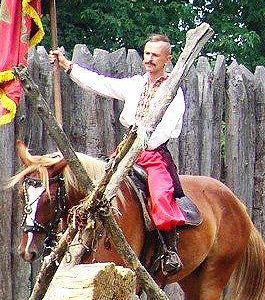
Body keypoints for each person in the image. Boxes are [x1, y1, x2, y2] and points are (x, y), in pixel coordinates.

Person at [50, 34, 189, 274]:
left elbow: (166, 129)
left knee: (160, 194)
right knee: (94, 189)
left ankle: (169, 251)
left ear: (168, 58)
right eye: (147, 53)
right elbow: (102, 84)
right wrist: (68, 66)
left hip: (153, 154)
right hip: (124, 152)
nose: (149, 59)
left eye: (155, 55)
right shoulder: (135, 84)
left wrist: (144, 141)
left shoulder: (173, 92)